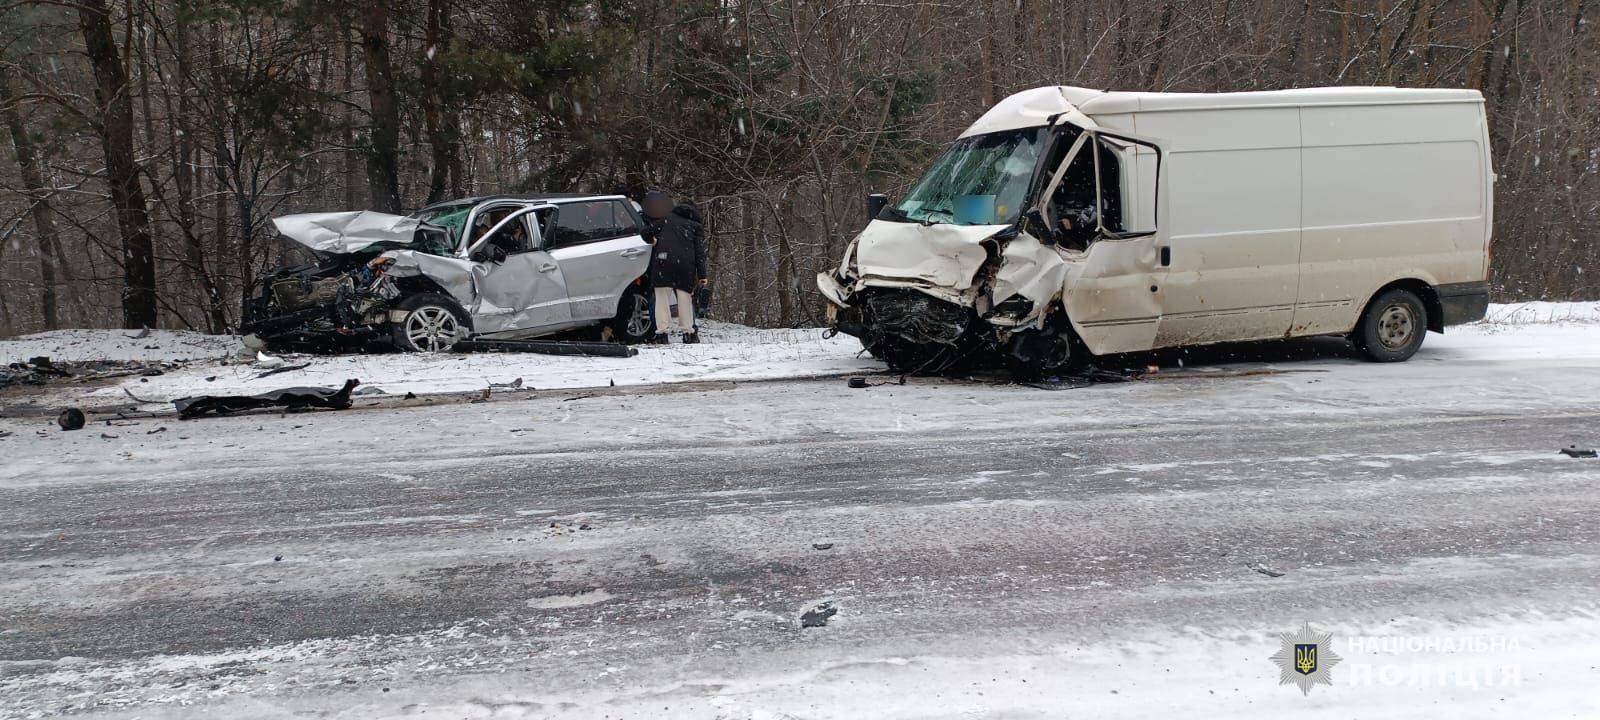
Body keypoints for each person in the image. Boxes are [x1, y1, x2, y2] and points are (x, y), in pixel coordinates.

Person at [640, 190, 707, 344]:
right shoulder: (695, 226)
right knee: (684, 299)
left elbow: (645, 233)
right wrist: (703, 275)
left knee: (662, 300)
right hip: (685, 267)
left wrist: (653, 241)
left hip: (663, 263)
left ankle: (662, 334)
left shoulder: (665, 220)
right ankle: (688, 333)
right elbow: (699, 253)